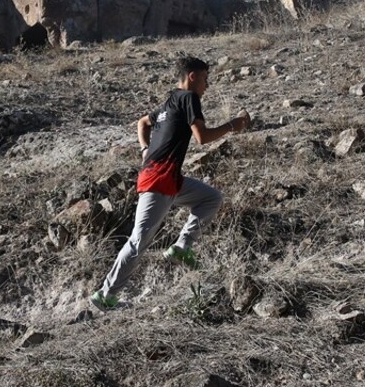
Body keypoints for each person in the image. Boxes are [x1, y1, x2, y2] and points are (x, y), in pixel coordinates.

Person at [91, 56, 250, 310]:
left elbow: (142, 122)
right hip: (159, 181)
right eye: (205, 79)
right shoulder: (189, 98)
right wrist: (233, 125)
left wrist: (145, 149)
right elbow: (201, 137)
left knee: (211, 198)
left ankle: (181, 247)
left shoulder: (170, 101)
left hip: (169, 180)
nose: (207, 86)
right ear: (192, 77)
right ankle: (105, 295)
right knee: (138, 242)